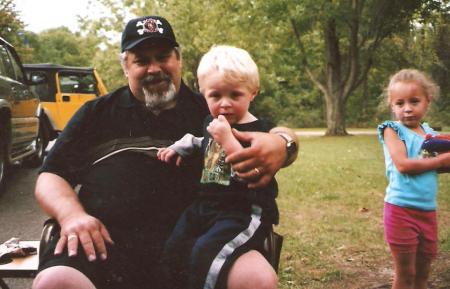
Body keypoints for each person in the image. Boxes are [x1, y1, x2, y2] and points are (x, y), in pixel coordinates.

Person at [32, 16, 298, 289]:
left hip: (197, 241)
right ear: (125, 67)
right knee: (56, 282)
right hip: (106, 244)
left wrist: (284, 143)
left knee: (256, 280)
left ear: (178, 60)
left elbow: (265, 131)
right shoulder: (96, 114)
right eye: (142, 60)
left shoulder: (213, 109)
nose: (154, 68)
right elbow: (50, 176)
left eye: (163, 57)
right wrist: (71, 215)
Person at [157, 45, 281, 289]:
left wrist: (227, 138)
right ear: (203, 93)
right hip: (207, 206)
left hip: (243, 211)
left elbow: (250, 170)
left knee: (208, 252)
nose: (224, 104)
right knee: (175, 245)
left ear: (253, 93)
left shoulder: (259, 131)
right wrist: (182, 146)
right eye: (215, 96)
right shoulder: (212, 122)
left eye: (235, 95)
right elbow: (204, 142)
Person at [377, 68, 450, 289]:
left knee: (422, 274)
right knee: (406, 273)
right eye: (400, 103)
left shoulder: (428, 134)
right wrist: (441, 161)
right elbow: (404, 165)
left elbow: (430, 167)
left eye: (414, 101)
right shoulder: (392, 130)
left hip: (427, 212)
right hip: (401, 211)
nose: (407, 108)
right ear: (392, 106)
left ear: (427, 101)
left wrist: (444, 163)